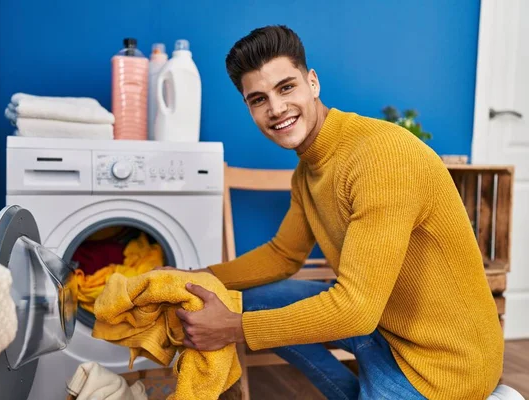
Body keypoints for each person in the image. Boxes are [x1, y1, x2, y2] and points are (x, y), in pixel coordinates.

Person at [159, 25, 504, 399]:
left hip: (446, 368)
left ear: (312, 82)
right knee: (252, 297)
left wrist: (235, 328)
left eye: (286, 87)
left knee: (252, 315)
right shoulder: (307, 171)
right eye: (258, 99)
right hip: (388, 332)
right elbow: (282, 255)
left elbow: (355, 310)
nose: (276, 109)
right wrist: (193, 277)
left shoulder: (381, 157)